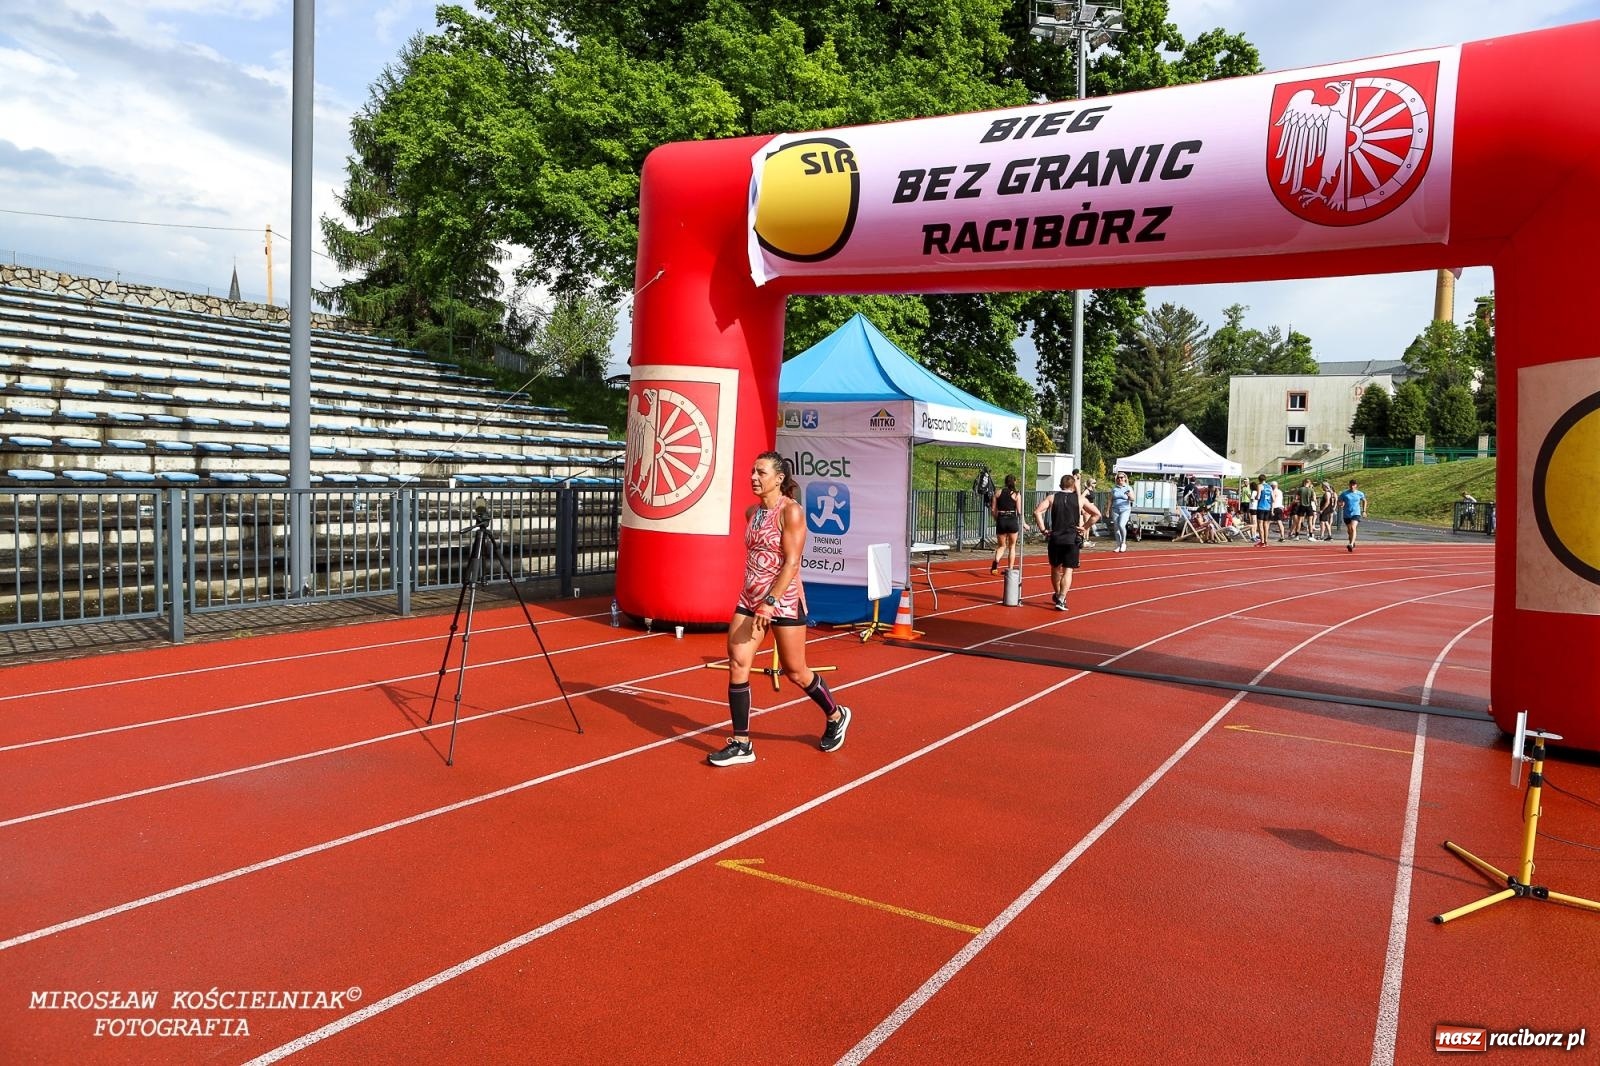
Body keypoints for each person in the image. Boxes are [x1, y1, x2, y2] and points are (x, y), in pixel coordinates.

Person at [708, 451, 851, 767]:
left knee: (795, 671)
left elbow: (791, 562)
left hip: (782, 601)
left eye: (760, 472)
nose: (753, 478)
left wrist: (771, 602)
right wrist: (756, 600)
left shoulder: (792, 513)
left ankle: (836, 714)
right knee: (737, 661)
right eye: (752, 472)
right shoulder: (752, 512)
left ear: (779, 478)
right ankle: (742, 743)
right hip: (749, 599)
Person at [1032, 472, 1102, 611]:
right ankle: (1062, 598)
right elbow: (1097, 514)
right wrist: (1084, 527)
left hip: (1056, 538)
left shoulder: (1052, 497)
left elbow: (1037, 512)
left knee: (1055, 568)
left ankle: (1058, 594)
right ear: (1073, 486)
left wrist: (1043, 529)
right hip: (1072, 538)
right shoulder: (1080, 500)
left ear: (1060, 485)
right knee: (1068, 570)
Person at [990, 473, 1023, 573]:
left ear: (1005, 482)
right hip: (1012, 519)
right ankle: (1010, 568)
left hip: (1001, 519)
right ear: (1015, 482)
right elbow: (1019, 511)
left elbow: (993, 509)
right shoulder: (1016, 494)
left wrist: (997, 519)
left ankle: (996, 563)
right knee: (1012, 546)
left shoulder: (998, 493)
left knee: (1001, 546)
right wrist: (1024, 523)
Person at [1108, 471, 1134, 553]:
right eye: (1118, 477)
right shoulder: (1114, 488)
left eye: (1122, 477)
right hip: (1115, 509)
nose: (1120, 479)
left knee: (1121, 525)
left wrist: (1129, 495)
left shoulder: (1128, 488)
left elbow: (1133, 499)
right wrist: (1107, 510)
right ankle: (1118, 545)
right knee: (1116, 528)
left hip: (1125, 509)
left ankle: (1123, 543)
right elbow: (1110, 500)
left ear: (1125, 478)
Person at [1338, 478, 1367, 552]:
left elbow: (1364, 501)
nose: (1352, 486)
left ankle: (1350, 544)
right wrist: (1340, 504)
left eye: (1354, 485)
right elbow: (1339, 501)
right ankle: (1352, 541)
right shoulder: (1345, 493)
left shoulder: (1360, 493)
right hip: (1347, 513)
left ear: (1356, 485)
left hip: (1356, 513)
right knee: (1349, 530)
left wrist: (1364, 511)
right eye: (1351, 484)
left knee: (1353, 527)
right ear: (1349, 485)